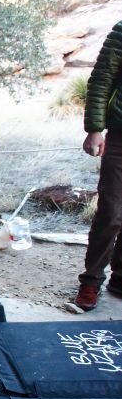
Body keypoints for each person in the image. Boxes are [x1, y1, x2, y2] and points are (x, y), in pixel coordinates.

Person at [75, 20, 122, 311]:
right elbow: (101, 79)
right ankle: (91, 282)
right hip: (120, 137)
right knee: (111, 212)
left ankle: (120, 279)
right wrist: (94, 128)